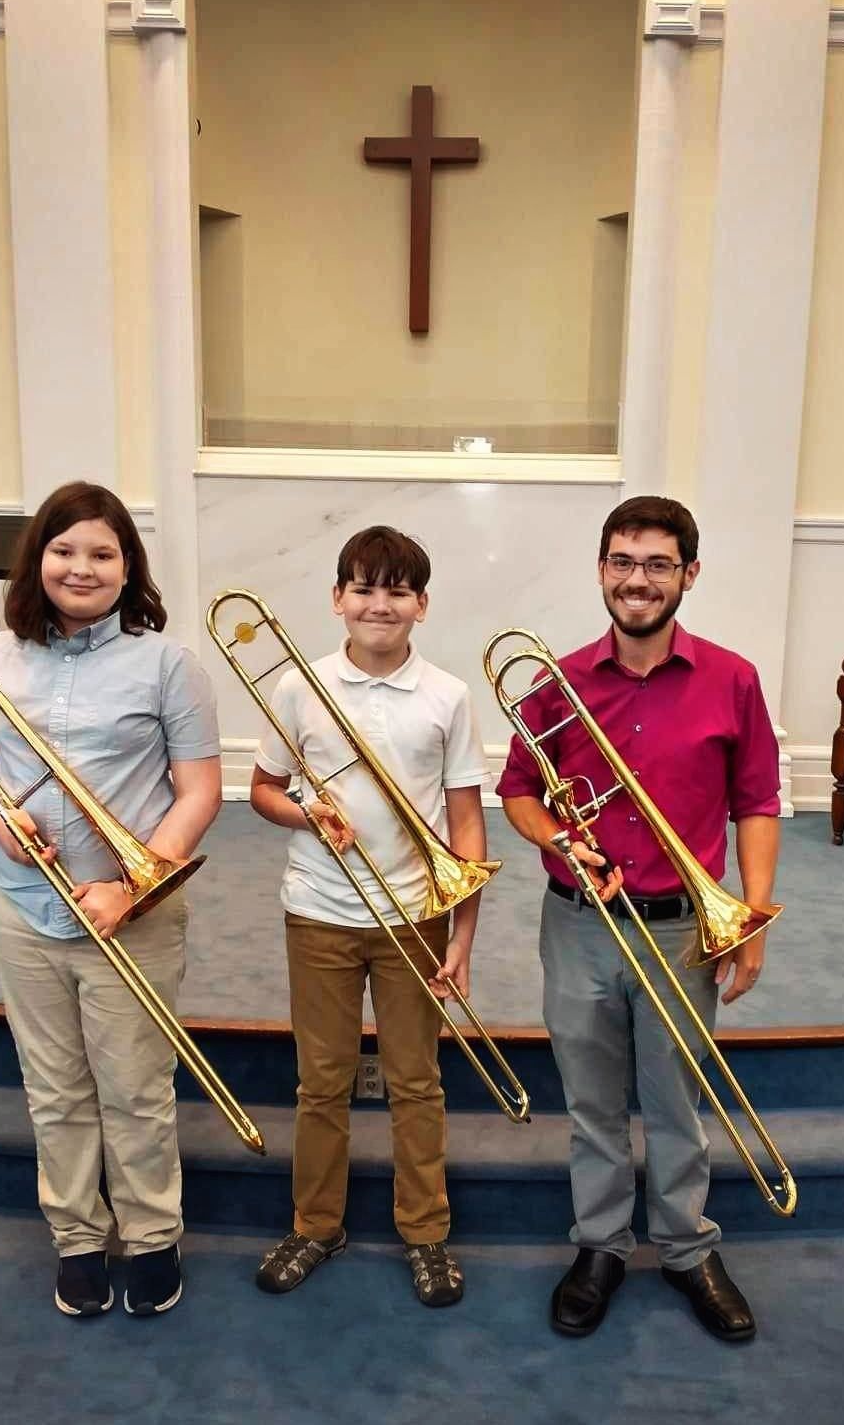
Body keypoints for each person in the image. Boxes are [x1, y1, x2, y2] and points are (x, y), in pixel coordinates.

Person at [496, 495, 780, 1342]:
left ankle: (690, 1247)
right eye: (622, 561)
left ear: (690, 573)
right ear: (600, 570)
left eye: (658, 564)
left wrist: (752, 914)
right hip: (580, 922)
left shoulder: (732, 678)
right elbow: (516, 790)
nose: (637, 580)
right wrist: (557, 836)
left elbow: (757, 799)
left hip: (680, 926)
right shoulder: (558, 680)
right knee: (590, 1102)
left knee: (675, 1099)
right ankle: (602, 1244)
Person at [0, 481, 222, 1319]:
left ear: (128, 565)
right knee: (55, 1087)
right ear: (38, 559)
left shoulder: (169, 664)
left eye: (103, 552)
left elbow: (200, 791)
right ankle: (75, 1235)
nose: (82, 566)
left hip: (131, 913)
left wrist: (133, 884)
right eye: (65, 549)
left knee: (135, 1085)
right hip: (24, 907)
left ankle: (148, 1234)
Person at [249, 525, 490, 1306]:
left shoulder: (448, 695)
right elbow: (263, 789)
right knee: (321, 1082)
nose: (378, 604)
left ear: (421, 604)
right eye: (362, 587)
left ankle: (425, 1231)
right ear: (336, 599)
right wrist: (304, 814)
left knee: (416, 1080)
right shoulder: (297, 687)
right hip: (317, 912)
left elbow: (466, 826)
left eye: (396, 590)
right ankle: (316, 1222)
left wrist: (463, 935)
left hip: (413, 915)